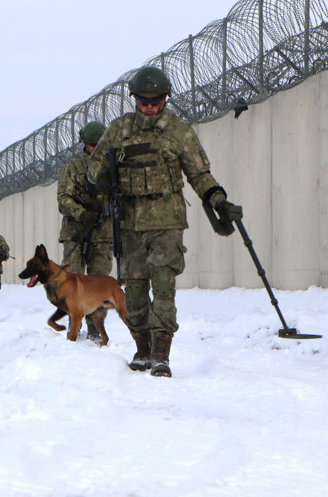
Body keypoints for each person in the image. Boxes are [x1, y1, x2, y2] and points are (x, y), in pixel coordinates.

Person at [86, 66, 243, 378]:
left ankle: (161, 354)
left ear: (165, 98)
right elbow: (93, 170)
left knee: (164, 289)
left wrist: (218, 200)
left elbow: (199, 174)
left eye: (155, 101)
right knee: (133, 294)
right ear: (134, 100)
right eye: (143, 101)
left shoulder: (178, 131)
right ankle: (142, 347)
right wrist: (105, 170)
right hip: (129, 225)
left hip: (167, 223)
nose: (149, 107)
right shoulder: (119, 130)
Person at [57, 120, 113, 342]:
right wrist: (82, 214)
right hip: (76, 233)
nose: (95, 149)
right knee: (71, 284)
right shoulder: (73, 168)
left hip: (102, 234)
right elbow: (63, 200)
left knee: (98, 284)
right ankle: (74, 323)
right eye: (91, 145)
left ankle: (95, 328)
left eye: (99, 145)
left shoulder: (112, 168)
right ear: (84, 144)